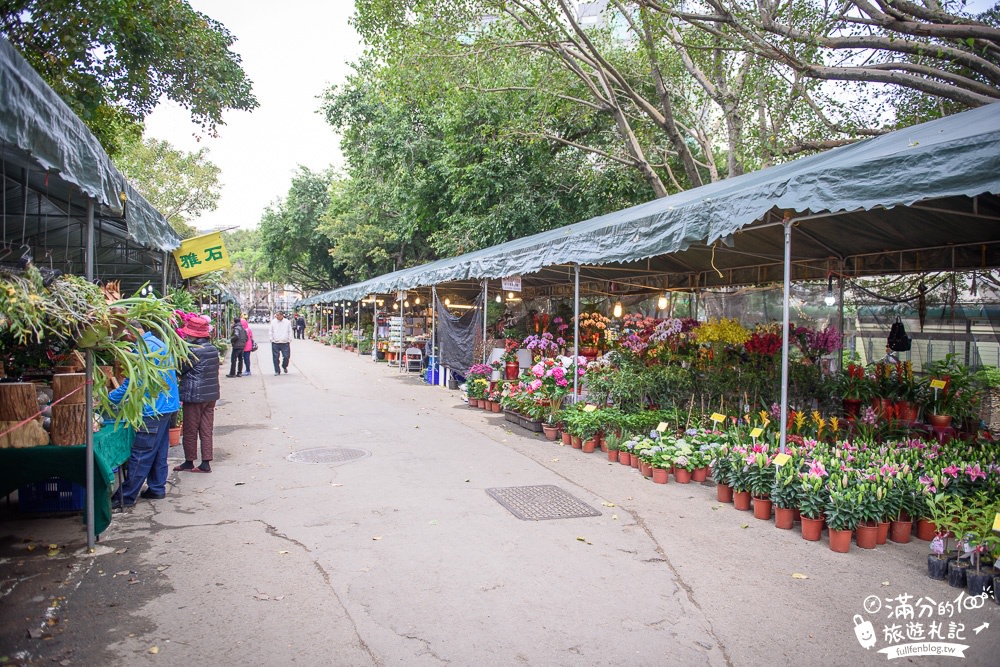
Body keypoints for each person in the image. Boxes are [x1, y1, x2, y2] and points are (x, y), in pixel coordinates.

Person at [110, 322, 180, 506]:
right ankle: (157, 488)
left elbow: (131, 384)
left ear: (131, 332)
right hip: (166, 406)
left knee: (142, 453)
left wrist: (108, 400)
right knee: (158, 450)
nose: (124, 340)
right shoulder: (157, 344)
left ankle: (126, 497)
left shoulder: (143, 349)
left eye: (124, 336)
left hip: (153, 409)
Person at [173, 315, 220, 473]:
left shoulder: (193, 350)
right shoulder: (212, 348)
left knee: (190, 429)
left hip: (194, 395)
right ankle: (206, 462)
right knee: (206, 429)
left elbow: (180, 369)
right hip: (210, 395)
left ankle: (189, 461)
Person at [269, 311, 293, 375]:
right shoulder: (273, 322)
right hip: (275, 342)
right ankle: (277, 370)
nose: (277, 316)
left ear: (282, 315)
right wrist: (271, 338)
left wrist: (290, 338)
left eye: (278, 315)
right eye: (276, 315)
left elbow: (290, 330)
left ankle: (284, 366)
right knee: (275, 357)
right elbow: (271, 331)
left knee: (286, 356)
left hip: (285, 342)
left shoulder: (287, 322)